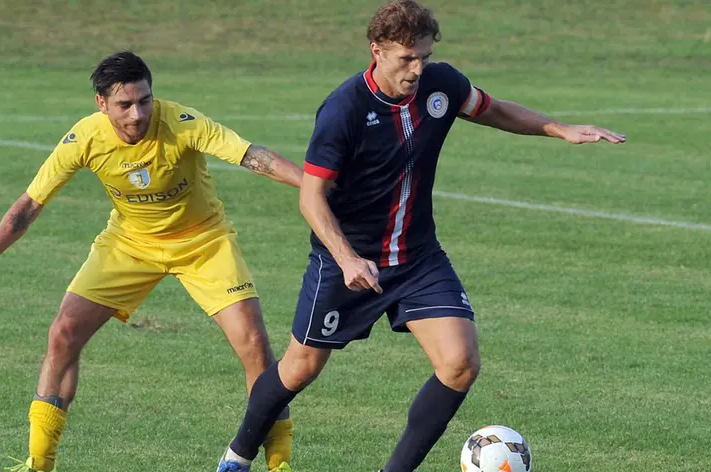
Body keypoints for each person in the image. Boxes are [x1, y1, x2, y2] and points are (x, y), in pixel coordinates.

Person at [216, 1, 626, 471]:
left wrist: (560, 129)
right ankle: (238, 454)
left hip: (417, 258)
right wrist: (348, 259)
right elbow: (311, 199)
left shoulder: (441, 84)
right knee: (300, 367)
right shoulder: (344, 109)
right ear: (377, 51)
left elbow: (492, 110)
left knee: (460, 363)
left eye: (424, 57)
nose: (417, 69)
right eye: (406, 58)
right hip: (347, 261)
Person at [0, 51, 299, 472]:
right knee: (63, 334)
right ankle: (39, 463)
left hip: (203, 241)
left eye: (145, 101)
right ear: (102, 104)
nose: (137, 114)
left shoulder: (181, 122)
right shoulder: (85, 138)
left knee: (254, 346)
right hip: (129, 243)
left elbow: (252, 156)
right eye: (125, 105)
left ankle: (278, 464)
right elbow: (31, 203)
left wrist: (313, 187)